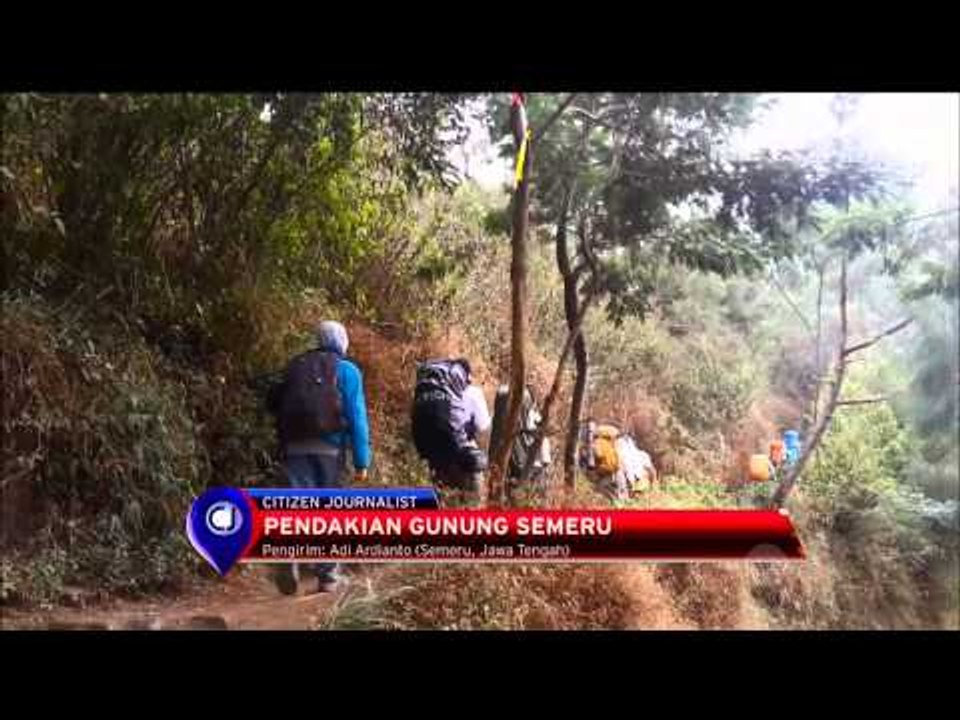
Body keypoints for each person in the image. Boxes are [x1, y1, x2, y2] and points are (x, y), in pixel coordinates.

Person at [266, 320, 371, 595]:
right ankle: (327, 576)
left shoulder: (296, 366)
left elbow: (273, 403)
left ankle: (288, 557)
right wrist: (362, 461)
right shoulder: (347, 370)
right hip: (330, 449)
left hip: (295, 446)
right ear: (342, 341)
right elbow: (357, 418)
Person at [411, 358, 490, 506]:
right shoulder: (473, 392)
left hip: (436, 457)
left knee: (443, 504)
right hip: (464, 458)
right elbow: (483, 426)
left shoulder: (432, 387)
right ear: (467, 376)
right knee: (472, 510)